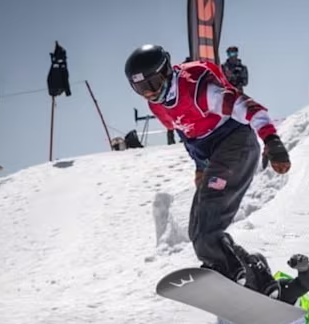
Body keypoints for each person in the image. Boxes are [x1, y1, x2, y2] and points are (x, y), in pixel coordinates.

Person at [124, 44, 290, 296]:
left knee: (211, 212)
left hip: (236, 144)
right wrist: (201, 168)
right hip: (214, 157)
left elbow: (248, 107)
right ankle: (253, 272)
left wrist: (272, 141)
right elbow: (188, 134)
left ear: (166, 71)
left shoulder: (198, 88)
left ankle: (231, 272)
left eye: (154, 83)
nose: (150, 93)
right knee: (198, 229)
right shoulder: (157, 107)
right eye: (141, 89)